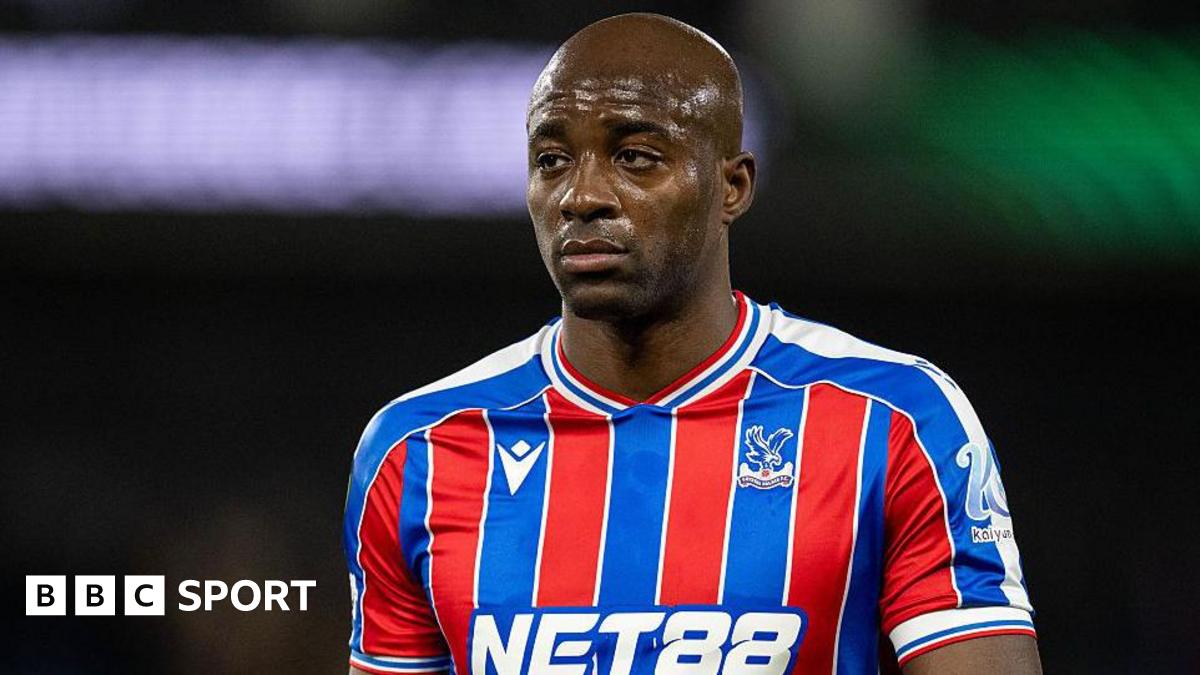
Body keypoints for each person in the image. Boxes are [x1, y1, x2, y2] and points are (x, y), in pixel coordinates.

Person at [343, 13, 1039, 675]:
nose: (581, 195)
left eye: (635, 157)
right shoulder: (419, 450)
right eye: (552, 159)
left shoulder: (892, 421)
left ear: (732, 186)